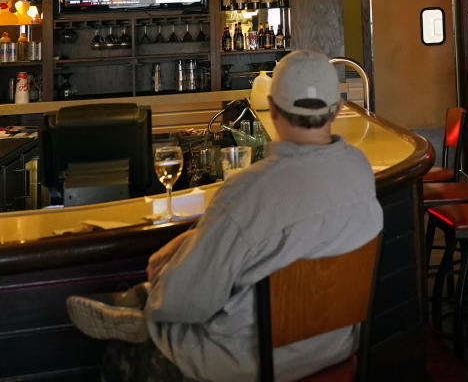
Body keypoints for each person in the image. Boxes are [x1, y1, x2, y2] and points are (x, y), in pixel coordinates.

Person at [67, 50, 383, 382]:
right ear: (336, 110)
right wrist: (194, 238)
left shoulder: (247, 190)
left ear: (272, 109)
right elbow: (292, 225)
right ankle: (142, 304)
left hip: (251, 364)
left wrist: (162, 295)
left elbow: (188, 302)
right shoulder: (361, 170)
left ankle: (144, 306)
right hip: (336, 349)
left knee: (124, 355)